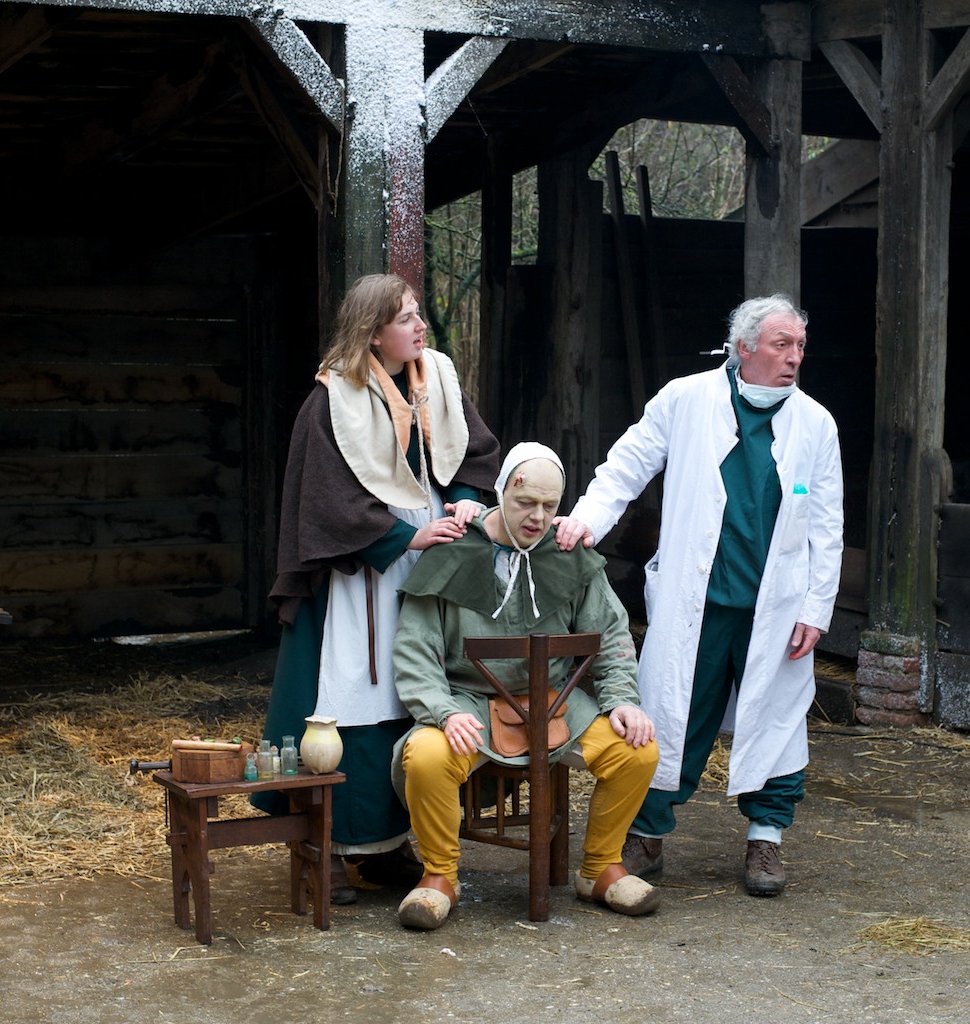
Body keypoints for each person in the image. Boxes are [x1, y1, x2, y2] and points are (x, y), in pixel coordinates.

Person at [553, 294, 843, 898]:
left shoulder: (815, 423)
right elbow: (627, 464)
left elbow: (827, 523)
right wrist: (586, 520)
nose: (794, 357)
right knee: (670, 714)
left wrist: (817, 607)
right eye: (782, 345)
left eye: (800, 346)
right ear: (744, 349)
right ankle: (647, 833)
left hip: (776, 608)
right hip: (699, 602)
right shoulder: (685, 400)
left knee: (778, 720)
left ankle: (766, 837)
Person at [253, 273, 500, 904]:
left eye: (419, 314)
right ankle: (326, 845)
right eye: (407, 318)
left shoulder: (435, 378)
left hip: (428, 565)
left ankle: (388, 845)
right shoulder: (331, 399)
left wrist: (465, 501)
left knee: (409, 697)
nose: (421, 327)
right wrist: (402, 538)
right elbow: (324, 500)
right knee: (346, 705)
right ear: (372, 333)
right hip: (359, 574)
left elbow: (470, 453)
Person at [389, 443, 661, 930]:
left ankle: (600, 869)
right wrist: (442, 711)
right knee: (426, 755)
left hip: (556, 700)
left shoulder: (568, 553)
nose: (537, 517)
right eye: (525, 503)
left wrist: (622, 699)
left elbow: (612, 635)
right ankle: (440, 876)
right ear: (501, 493)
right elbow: (415, 650)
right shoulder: (454, 549)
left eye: (549, 505)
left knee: (636, 751)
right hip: (471, 701)